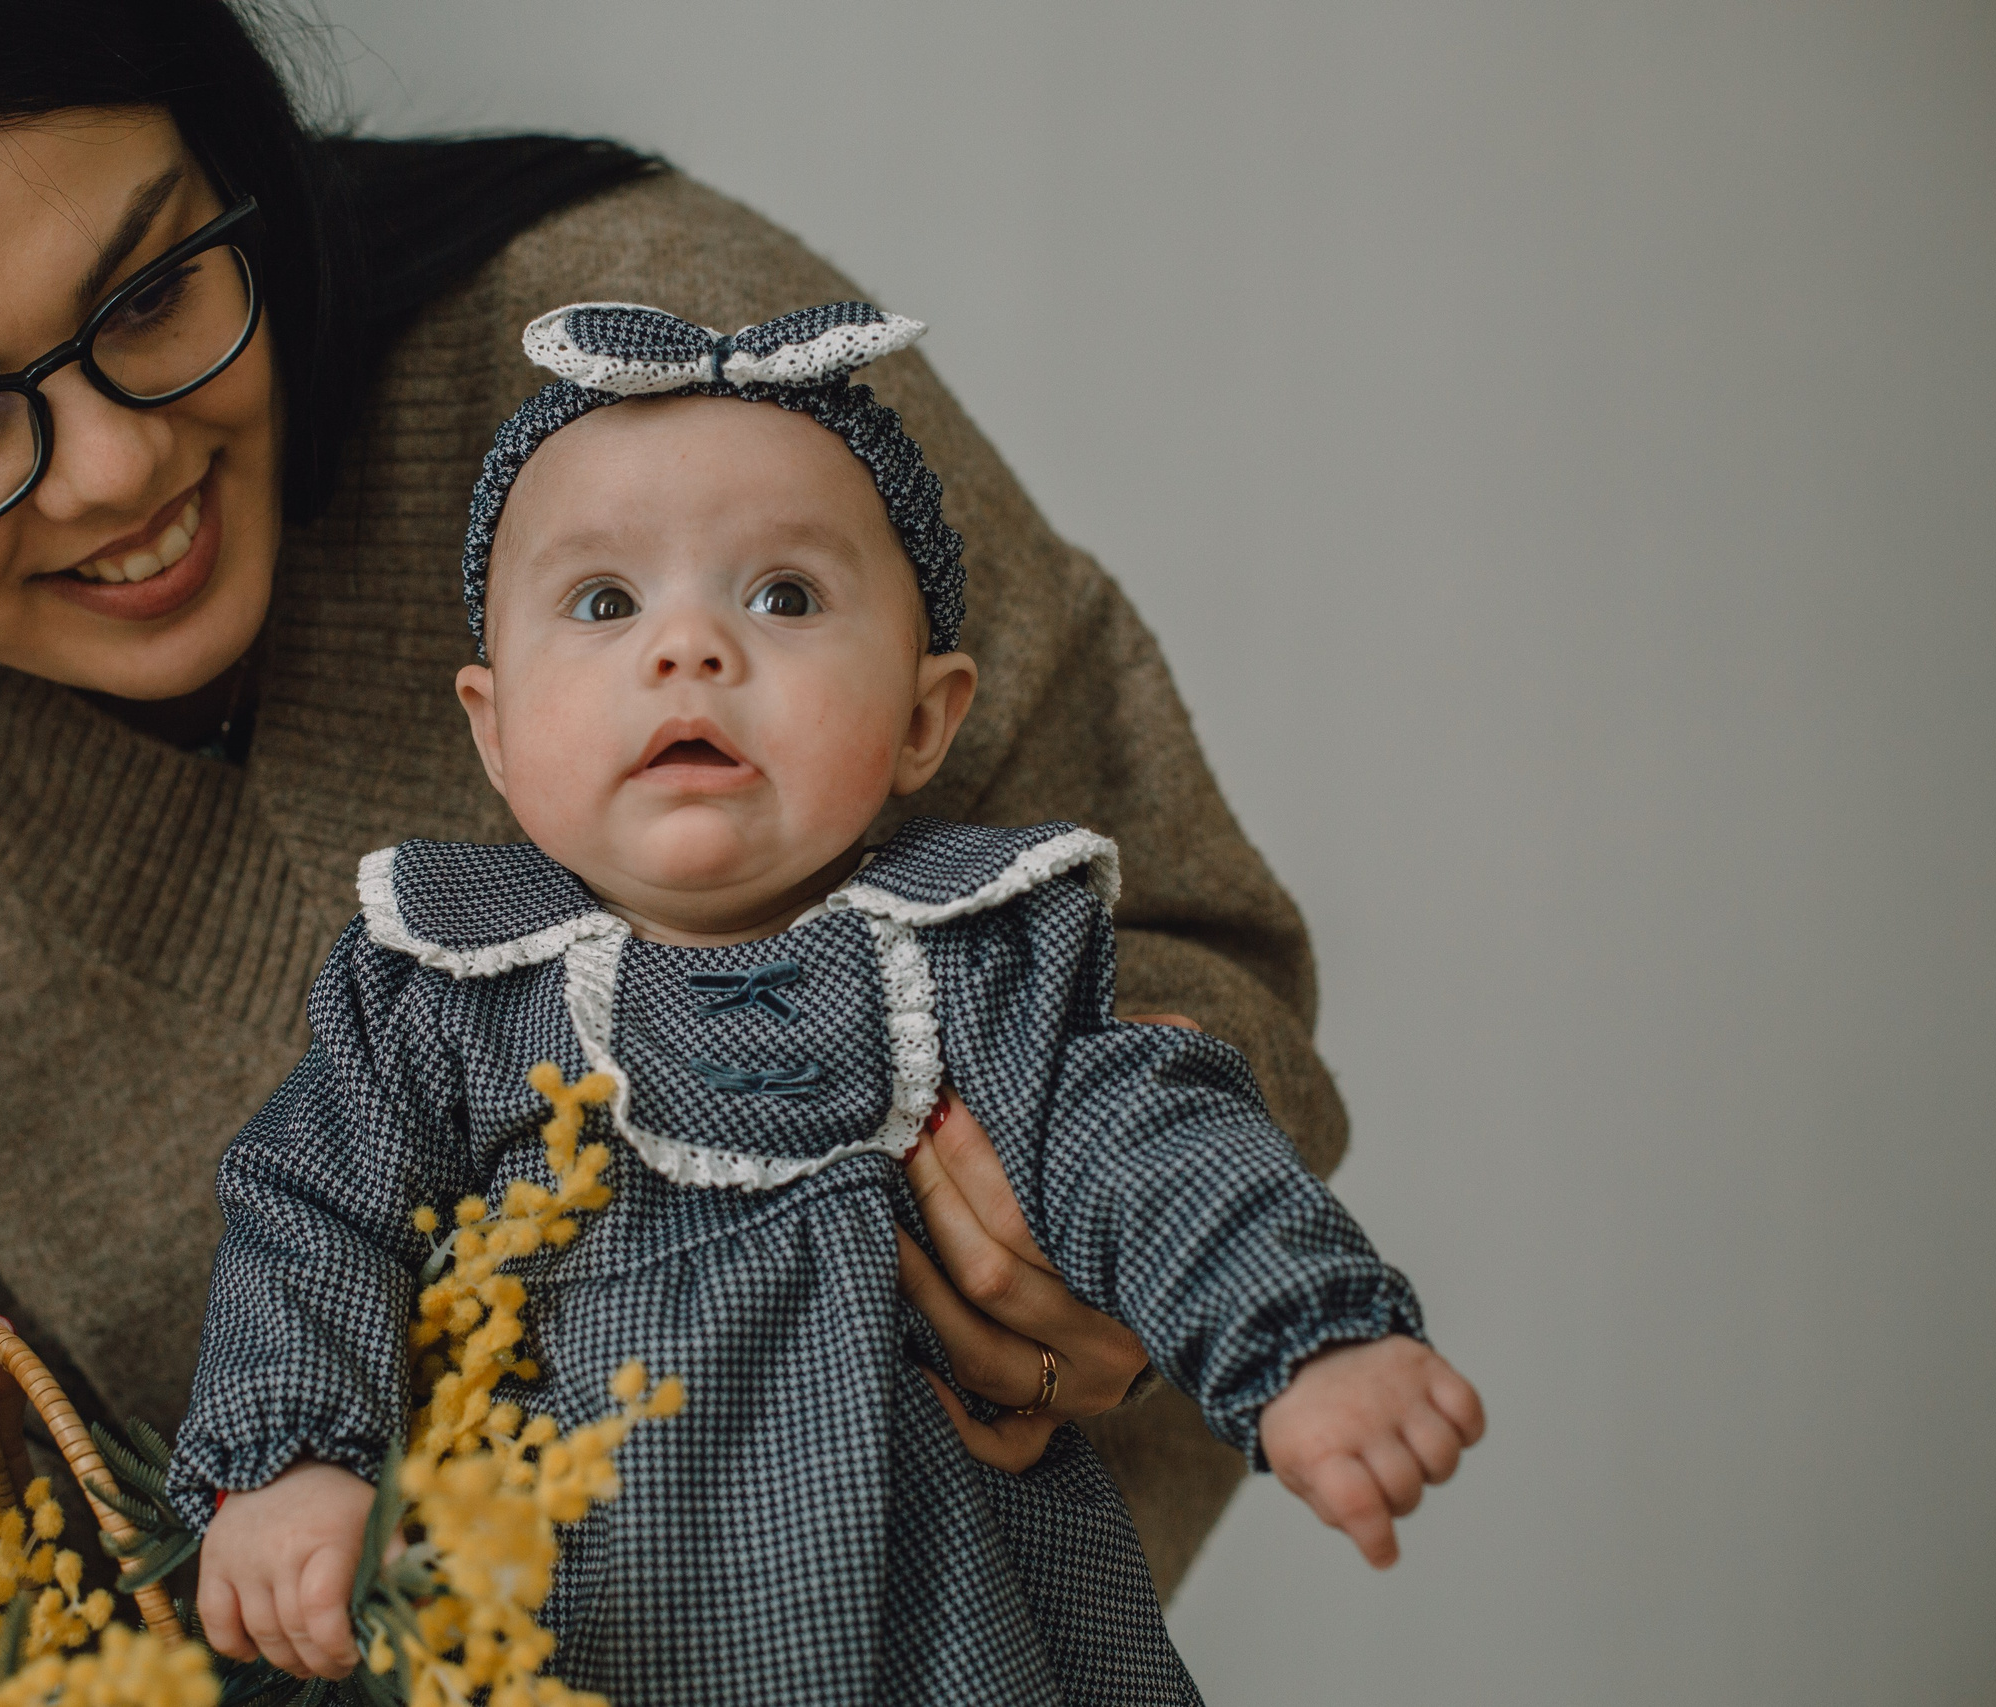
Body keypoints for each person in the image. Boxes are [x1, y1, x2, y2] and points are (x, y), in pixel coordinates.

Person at [0, 0, 1360, 1646]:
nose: (118, 464)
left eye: (152, 295)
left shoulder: (668, 380)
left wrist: (1089, 1242)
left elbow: (1198, 961)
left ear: (229, 158)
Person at [171, 303, 1485, 1704]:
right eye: (605, 603)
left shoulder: (976, 965)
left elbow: (1150, 1148)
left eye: (783, 597)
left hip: (935, 1639)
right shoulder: (441, 1002)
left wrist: (1306, 1343)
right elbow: (309, 1219)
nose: (689, 649)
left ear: (928, 718)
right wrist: (291, 1460)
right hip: (558, 1633)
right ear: (493, 731)